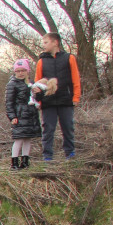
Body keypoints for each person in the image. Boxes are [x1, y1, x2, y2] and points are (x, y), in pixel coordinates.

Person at [35, 32, 81, 161]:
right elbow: (37, 83)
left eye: (46, 42)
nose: (43, 45)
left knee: (68, 127)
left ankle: (70, 153)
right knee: (48, 129)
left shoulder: (69, 58)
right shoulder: (41, 61)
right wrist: (38, 100)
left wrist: (76, 97)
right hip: (47, 101)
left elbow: (76, 80)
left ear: (55, 42)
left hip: (65, 99)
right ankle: (47, 156)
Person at [5, 58, 42, 170]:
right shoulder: (12, 84)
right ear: (15, 72)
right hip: (20, 115)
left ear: (27, 71)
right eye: (18, 71)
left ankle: (25, 162)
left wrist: (39, 94)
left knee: (27, 139)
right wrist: (12, 116)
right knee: (19, 139)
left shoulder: (32, 83)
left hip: (31, 115)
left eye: (23, 70)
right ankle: (14, 163)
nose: (21, 73)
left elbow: (38, 99)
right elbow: (8, 103)